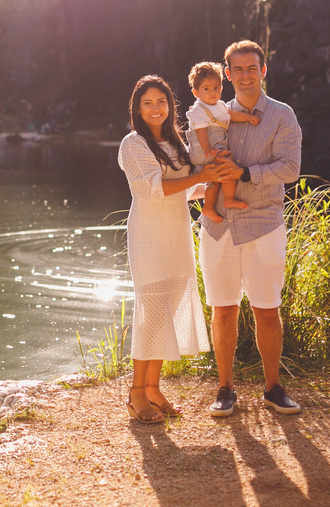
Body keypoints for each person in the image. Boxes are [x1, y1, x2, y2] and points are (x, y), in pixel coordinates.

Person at [200, 40, 303, 417]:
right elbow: (196, 159)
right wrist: (209, 170)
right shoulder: (212, 113)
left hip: (263, 225)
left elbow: (290, 169)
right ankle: (225, 389)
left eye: (251, 68)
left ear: (263, 71)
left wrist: (244, 173)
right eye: (237, 69)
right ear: (227, 75)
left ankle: (273, 388)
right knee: (223, 309)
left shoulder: (282, 115)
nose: (244, 75)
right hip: (219, 229)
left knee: (267, 310)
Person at [117, 75, 212, 423]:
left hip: (176, 234)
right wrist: (201, 177)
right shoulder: (133, 143)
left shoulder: (176, 143)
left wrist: (215, 184)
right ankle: (136, 394)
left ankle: (154, 389)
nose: (155, 108)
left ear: (170, 106)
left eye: (161, 101)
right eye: (147, 103)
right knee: (151, 313)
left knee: (166, 310)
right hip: (149, 235)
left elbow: (184, 190)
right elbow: (153, 190)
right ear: (138, 109)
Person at [186, 61, 260, 223]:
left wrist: (248, 117)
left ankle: (208, 207)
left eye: (216, 88)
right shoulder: (199, 110)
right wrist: (207, 148)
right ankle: (229, 198)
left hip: (213, 148)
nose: (212, 92)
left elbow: (232, 114)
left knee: (216, 179)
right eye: (206, 89)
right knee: (228, 163)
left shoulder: (219, 106)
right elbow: (201, 132)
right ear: (196, 92)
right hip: (203, 149)